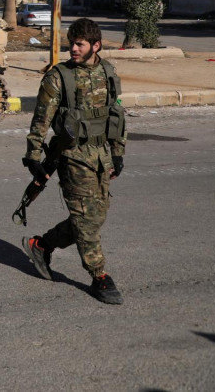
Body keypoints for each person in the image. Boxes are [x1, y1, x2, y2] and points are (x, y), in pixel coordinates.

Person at [20, 18, 127, 304]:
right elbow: (40, 119)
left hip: (101, 156)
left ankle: (41, 245)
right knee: (86, 218)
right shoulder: (59, 77)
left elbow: (116, 114)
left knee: (97, 214)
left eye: (79, 44)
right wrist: (33, 155)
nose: (73, 49)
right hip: (71, 156)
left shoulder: (108, 72)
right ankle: (99, 276)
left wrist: (118, 152)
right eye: (72, 43)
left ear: (96, 45)